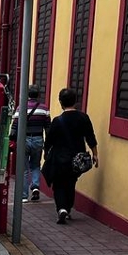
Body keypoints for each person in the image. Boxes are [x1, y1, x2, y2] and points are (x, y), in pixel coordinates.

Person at [42, 87, 99, 225]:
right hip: (77, 159)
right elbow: (90, 137)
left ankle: (61, 208)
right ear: (75, 101)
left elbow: (49, 140)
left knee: (59, 184)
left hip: (60, 158)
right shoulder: (84, 118)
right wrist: (95, 154)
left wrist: (45, 152)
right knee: (71, 183)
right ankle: (67, 208)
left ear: (61, 102)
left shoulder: (57, 121)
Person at [12, 84, 51, 202]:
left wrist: (12, 139)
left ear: (27, 94)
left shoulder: (21, 108)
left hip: (24, 139)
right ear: (38, 95)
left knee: (23, 168)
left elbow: (15, 125)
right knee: (35, 165)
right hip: (38, 139)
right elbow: (48, 127)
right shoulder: (44, 109)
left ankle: (24, 196)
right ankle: (35, 186)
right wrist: (48, 143)